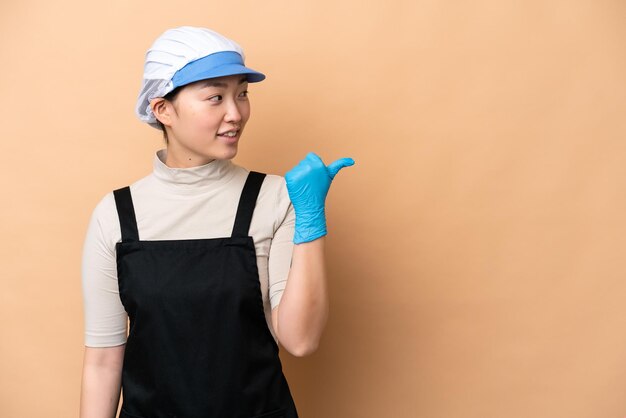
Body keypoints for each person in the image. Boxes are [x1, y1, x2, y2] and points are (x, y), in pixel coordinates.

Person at [79, 26, 355, 418]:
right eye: (215, 97)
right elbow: (103, 361)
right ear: (163, 110)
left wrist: (311, 220)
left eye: (242, 94)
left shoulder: (273, 198)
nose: (235, 113)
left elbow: (301, 339)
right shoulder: (117, 215)